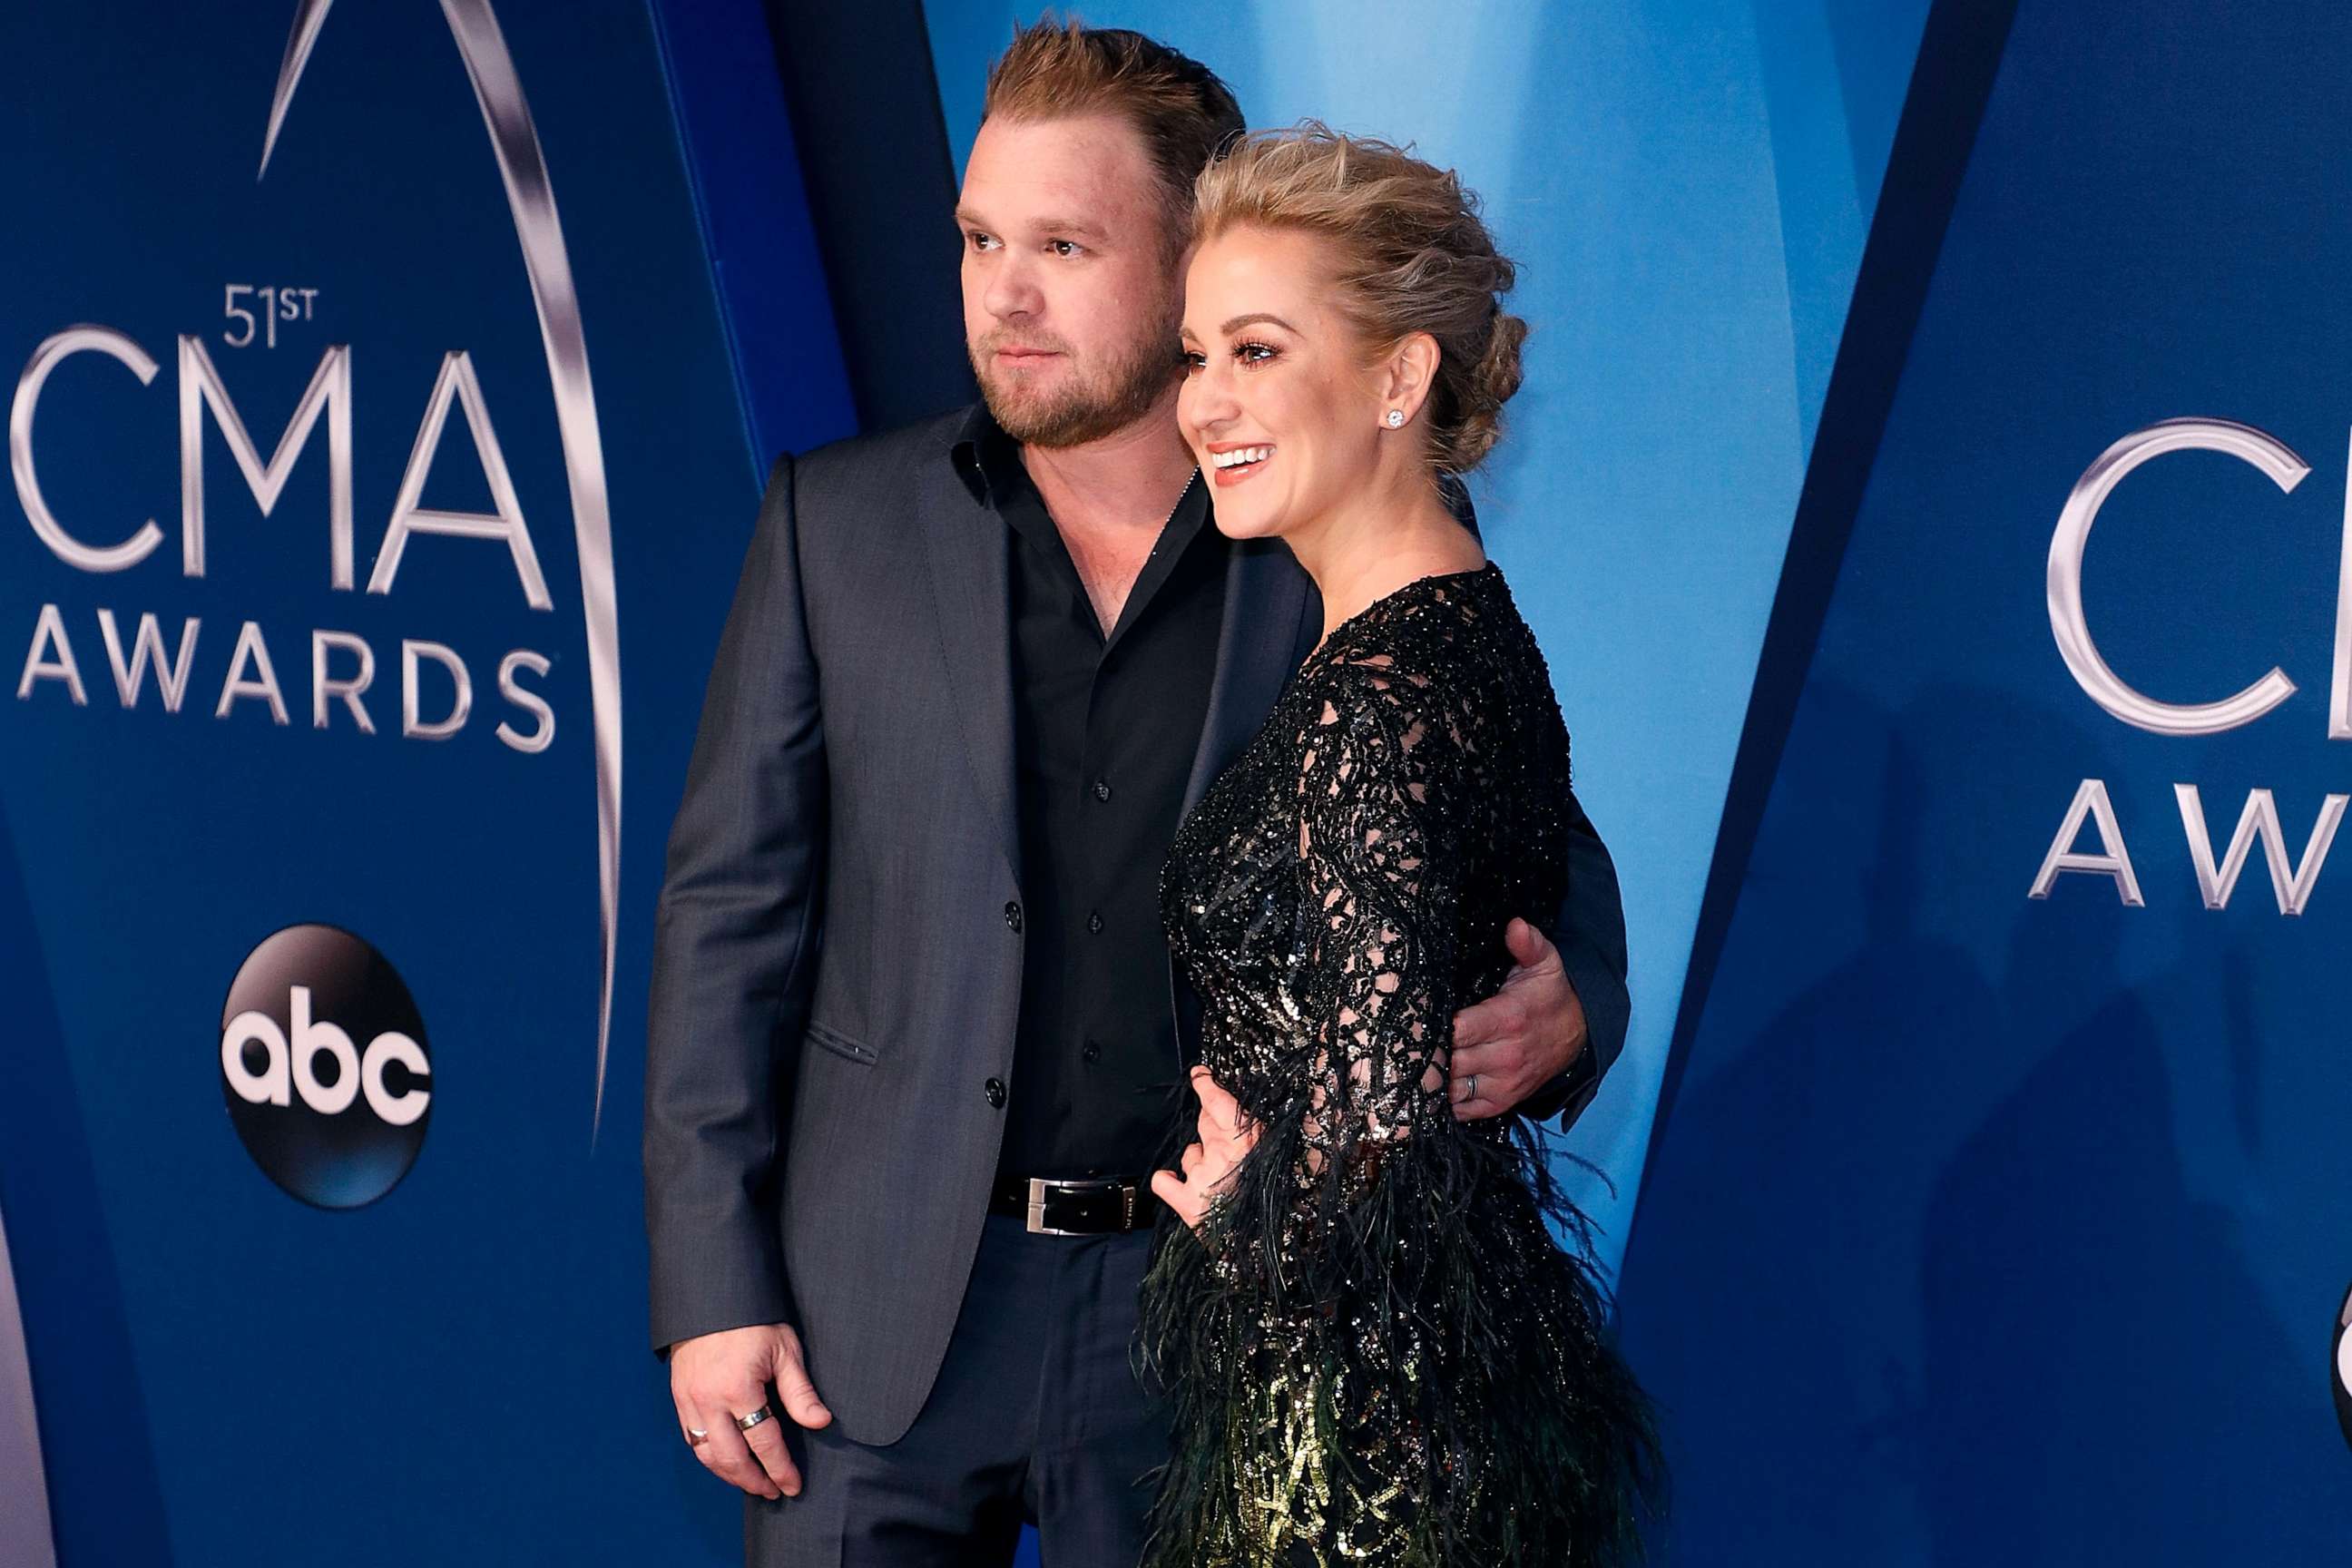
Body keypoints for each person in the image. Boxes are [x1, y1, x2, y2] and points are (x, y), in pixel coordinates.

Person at [642, 23, 1631, 1568]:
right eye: (979, 239)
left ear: (1187, 267)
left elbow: (1530, 837)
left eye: (1061, 243)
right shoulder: (835, 526)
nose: (1003, 293)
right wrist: (713, 1286)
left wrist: (1575, 1003)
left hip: (1200, 1314)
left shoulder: (1319, 534)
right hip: (882, 1305)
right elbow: (727, 920)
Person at [1140, 126, 1664, 1566]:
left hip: (1359, 1463)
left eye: (1255, 349)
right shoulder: (1453, 640)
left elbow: (1384, 1180)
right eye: (1195, 354)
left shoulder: (1383, 701)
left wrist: (1243, 1220)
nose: (1204, 402)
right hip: (1420, 1422)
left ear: (1397, 374)